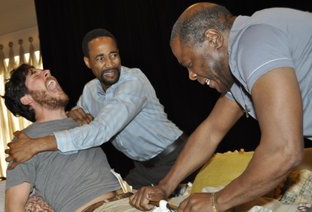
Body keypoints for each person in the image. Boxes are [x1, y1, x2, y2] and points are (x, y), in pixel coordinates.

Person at [129, 2, 312, 211]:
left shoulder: (254, 40)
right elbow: (212, 131)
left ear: (213, 38)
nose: (191, 76)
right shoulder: (239, 73)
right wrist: (164, 186)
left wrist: (217, 201)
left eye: (190, 64)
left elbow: (284, 150)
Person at [5, 28, 190, 189]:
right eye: (100, 58)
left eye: (114, 55)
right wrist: (73, 113)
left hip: (176, 156)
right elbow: (71, 117)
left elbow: (101, 131)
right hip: (144, 168)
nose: (110, 64)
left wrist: (35, 145)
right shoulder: (90, 90)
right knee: (122, 203)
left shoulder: (134, 80)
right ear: (88, 62)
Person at [3, 64, 122, 211]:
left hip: (127, 200)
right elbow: (13, 207)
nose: (47, 71)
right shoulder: (24, 141)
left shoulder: (82, 119)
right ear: (26, 98)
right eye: (35, 75)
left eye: (44, 71)